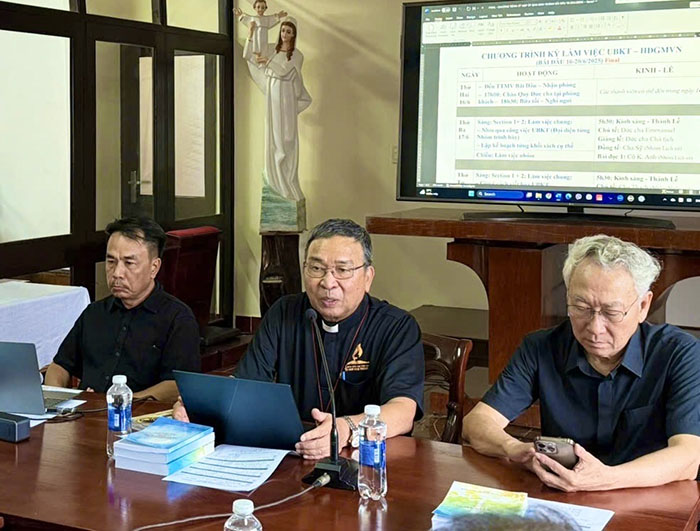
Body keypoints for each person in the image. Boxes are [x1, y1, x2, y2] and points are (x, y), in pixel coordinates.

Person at [462, 234, 700, 492]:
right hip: (565, 495)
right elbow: (477, 423)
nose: (595, 328)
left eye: (611, 312)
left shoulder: (679, 354)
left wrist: (606, 478)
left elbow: (688, 456)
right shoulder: (541, 348)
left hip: (648, 497)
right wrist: (514, 448)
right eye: (581, 307)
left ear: (643, 306)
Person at [175, 219, 424, 460]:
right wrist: (202, 406)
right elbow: (245, 385)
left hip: (365, 458)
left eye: (342, 270)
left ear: (368, 277)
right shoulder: (284, 312)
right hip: (295, 451)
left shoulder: (396, 326)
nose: (328, 283)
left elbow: (403, 409)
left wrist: (346, 429)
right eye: (316, 268)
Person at [45, 217, 200, 402]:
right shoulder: (94, 313)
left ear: (154, 267)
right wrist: (56, 400)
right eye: (111, 261)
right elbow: (60, 366)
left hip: (140, 415)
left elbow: (177, 385)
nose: (117, 273)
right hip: (84, 412)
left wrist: (120, 402)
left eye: (129, 263)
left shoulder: (177, 319)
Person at [242, 16, 311, 202]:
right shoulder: (272, 50)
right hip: (273, 94)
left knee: (287, 136)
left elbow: (284, 70)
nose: (285, 34)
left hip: (287, 95)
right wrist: (251, 33)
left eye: (289, 31)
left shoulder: (297, 55)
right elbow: (249, 55)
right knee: (274, 135)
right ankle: (276, 180)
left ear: (294, 34)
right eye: (283, 30)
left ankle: (287, 178)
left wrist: (268, 61)